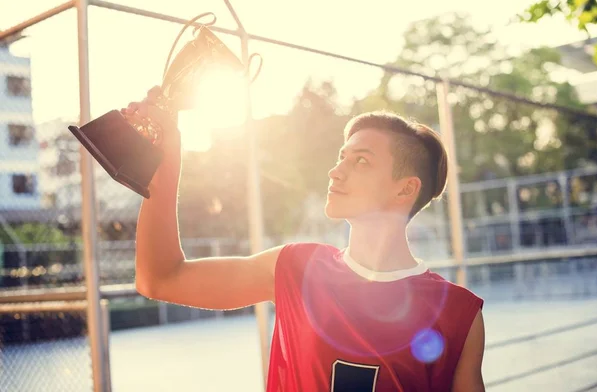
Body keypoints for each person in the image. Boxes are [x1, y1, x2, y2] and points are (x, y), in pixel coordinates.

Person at [125, 86, 485, 392]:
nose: (336, 170)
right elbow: (159, 278)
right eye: (341, 157)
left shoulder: (458, 314)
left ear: (405, 189)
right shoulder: (296, 267)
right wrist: (166, 161)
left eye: (361, 162)